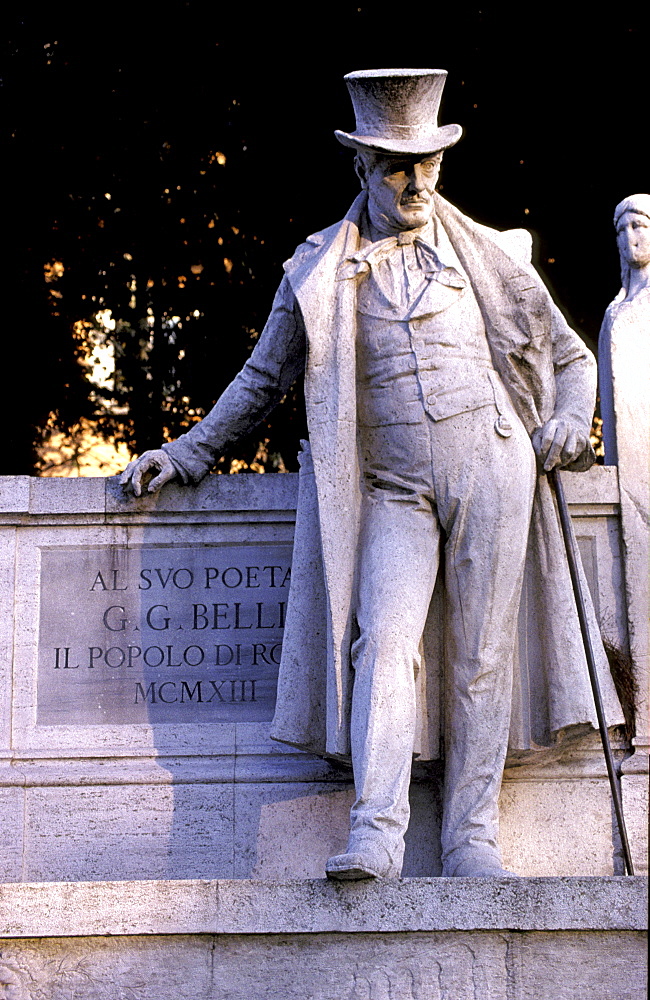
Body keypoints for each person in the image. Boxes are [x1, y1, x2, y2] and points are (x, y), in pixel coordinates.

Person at [121, 69, 622, 879]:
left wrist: (568, 419)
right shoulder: (317, 270)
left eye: (427, 163)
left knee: (483, 656)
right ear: (362, 169)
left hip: (493, 464)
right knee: (383, 642)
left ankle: (471, 839)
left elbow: (571, 358)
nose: (416, 180)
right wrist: (186, 452)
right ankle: (376, 831)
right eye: (397, 165)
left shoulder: (490, 254)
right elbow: (262, 378)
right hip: (390, 486)